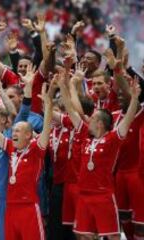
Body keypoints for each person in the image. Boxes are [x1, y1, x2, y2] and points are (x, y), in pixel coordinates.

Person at [58, 70, 141, 240]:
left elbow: (128, 119)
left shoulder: (112, 139)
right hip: (83, 193)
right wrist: (62, 87)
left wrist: (134, 99)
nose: (88, 120)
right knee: (82, 234)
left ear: (101, 123)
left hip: (103, 195)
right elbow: (71, 111)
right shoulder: (84, 136)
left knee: (111, 235)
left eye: (93, 118)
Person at [0, 80, 53, 239]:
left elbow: (47, 129)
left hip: (29, 206)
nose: (13, 133)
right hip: (11, 206)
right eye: (13, 130)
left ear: (28, 134)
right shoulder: (10, 147)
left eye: (18, 131)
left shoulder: (36, 149)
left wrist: (48, 107)